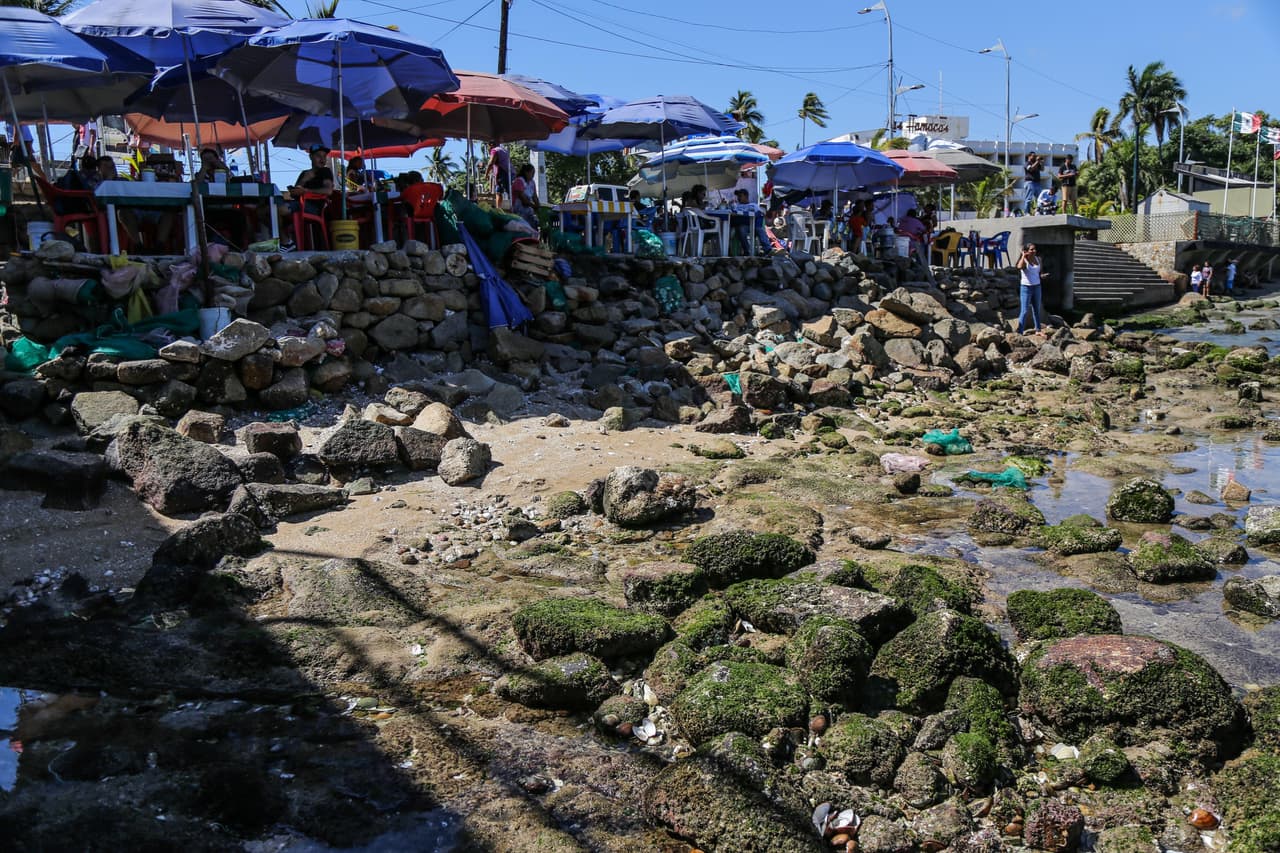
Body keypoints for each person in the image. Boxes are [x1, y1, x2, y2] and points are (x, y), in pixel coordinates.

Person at [730, 188, 772, 256]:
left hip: (754, 225)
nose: (738, 198)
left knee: (760, 230)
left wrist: (744, 214)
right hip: (743, 225)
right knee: (741, 229)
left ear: (746, 196)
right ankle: (747, 251)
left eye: (740, 196)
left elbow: (759, 214)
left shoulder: (754, 205)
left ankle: (768, 250)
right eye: (738, 196)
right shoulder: (737, 206)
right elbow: (732, 214)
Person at [1016, 242, 1044, 335]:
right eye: (1031, 249)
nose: (1034, 251)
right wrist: (1023, 256)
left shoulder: (1038, 259)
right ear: (1027, 251)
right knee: (1024, 311)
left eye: (1034, 249)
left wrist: (1042, 276)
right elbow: (1019, 267)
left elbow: (1040, 272)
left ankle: (1038, 330)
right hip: (1026, 288)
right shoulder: (1024, 260)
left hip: (1037, 286)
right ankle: (1020, 331)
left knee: (1036, 309)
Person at [511, 162, 540, 230]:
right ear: (526, 172)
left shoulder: (532, 182)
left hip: (528, 209)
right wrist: (534, 206)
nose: (533, 175)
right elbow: (523, 199)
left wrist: (538, 205)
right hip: (518, 209)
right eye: (532, 173)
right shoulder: (519, 181)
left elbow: (534, 196)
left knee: (533, 224)